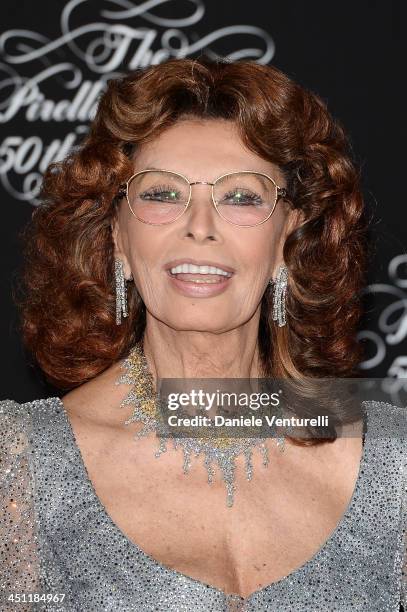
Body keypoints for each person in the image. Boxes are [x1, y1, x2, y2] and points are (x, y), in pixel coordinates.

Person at [0, 57, 405, 612]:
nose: (200, 225)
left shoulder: (394, 461)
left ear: (289, 238)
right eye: (162, 193)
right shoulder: (18, 465)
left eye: (241, 196)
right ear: (117, 236)